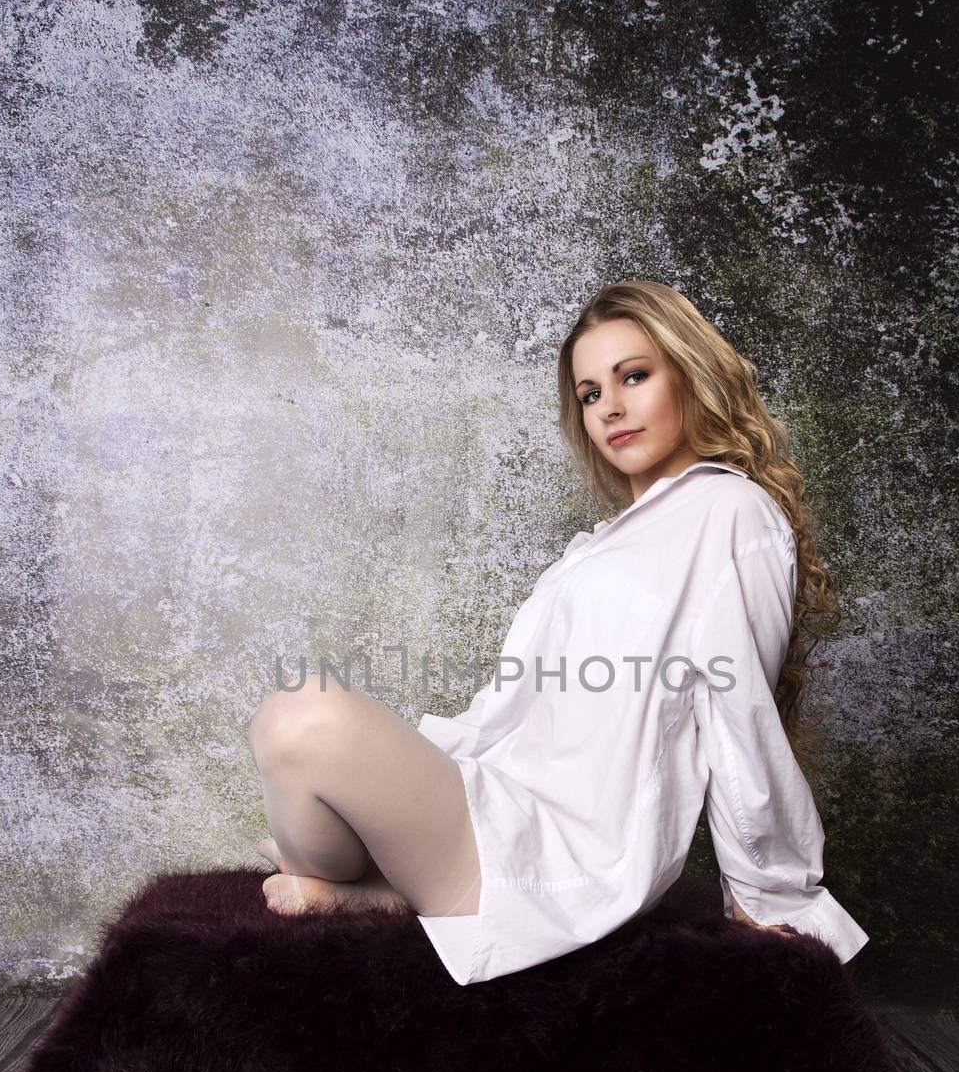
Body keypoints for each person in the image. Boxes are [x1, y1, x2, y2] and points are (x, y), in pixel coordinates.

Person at [245, 280, 870, 984]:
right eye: (590, 394)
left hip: (562, 852)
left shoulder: (727, 510)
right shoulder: (602, 544)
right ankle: (381, 890)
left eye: (633, 376)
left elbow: (737, 711)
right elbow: (523, 709)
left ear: (690, 375)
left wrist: (768, 893)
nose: (611, 408)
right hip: (497, 797)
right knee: (288, 728)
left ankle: (389, 892)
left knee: (302, 719)